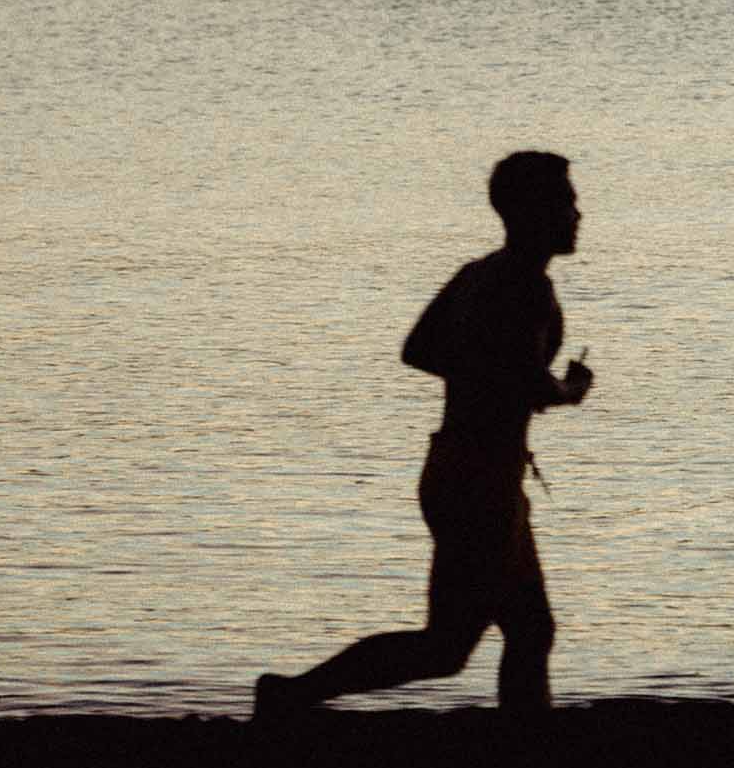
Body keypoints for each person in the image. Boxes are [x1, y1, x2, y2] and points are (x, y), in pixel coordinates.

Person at [253, 150, 593, 720]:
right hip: (479, 481)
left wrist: (481, 371)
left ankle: (528, 740)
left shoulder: (478, 274)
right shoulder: (523, 288)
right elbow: (532, 387)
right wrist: (572, 389)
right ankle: (290, 694)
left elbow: (421, 350)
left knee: (530, 629)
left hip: (471, 472)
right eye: (565, 201)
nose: (577, 213)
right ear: (529, 210)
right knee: (448, 647)